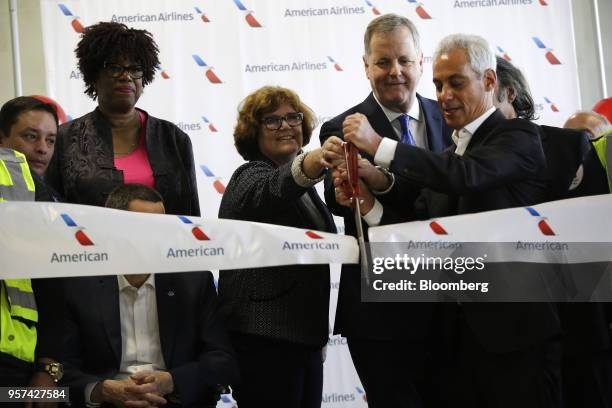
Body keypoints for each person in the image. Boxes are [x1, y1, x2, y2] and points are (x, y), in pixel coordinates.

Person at [340, 33, 562, 407]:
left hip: (516, 340)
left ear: (489, 81)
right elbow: (420, 220)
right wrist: (366, 203)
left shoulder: (518, 137)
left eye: (456, 83)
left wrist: (379, 146)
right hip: (452, 343)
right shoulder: (449, 153)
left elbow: (466, 176)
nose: (444, 95)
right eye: (439, 84)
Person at [318, 13, 452, 408]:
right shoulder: (341, 126)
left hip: (454, 302)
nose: (395, 72)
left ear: (421, 63)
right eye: (382, 62)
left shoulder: (450, 116)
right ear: (365, 67)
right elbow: (336, 197)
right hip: (382, 314)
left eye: (404, 61)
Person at [61, 183, 238, 408]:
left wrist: (172, 381)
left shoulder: (193, 282)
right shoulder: (79, 286)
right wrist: (101, 390)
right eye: (145, 228)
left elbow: (223, 361)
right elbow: (60, 370)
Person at [218, 86, 339, 408]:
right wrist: (310, 163)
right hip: (263, 341)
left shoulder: (308, 191)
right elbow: (270, 191)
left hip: (304, 338)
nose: (285, 126)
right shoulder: (248, 175)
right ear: (252, 133)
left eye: (292, 117)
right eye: (271, 121)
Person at [46, 22, 199, 216]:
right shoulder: (65, 138)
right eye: (114, 67)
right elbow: (51, 209)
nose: (126, 76)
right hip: (90, 245)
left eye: (135, 69)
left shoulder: (173, 138)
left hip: (164, 245)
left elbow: (191, 212)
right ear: (94, 76)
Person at [0, 147, 64, 408]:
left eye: (51, 140)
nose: (42, 148)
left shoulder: (18, 172)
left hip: (16, 373)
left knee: (65, 398)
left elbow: (57, 289)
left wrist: (51, 372)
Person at [0, 96, 62, 202]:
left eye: (50, 140)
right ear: (1, 138)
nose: (43, 149)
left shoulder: (55, 199)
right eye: (31, 136)